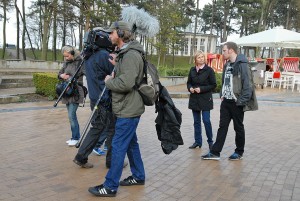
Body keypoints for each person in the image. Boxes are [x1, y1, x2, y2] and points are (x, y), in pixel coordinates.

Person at [88, 21, 146, 197]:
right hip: (128, 107)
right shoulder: (126, 54)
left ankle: (110, 186)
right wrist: (117, 65)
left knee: (118, 145)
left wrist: (108, 81)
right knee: (131, 145)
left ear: (120, 34)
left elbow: (126, 83)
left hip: (128, 109)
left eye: (111, 33)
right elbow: (128, 76)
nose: (109, 36)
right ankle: (139, 176)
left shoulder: (130, 55)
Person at [202, 42, 257, 161]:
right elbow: (225, 81)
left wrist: (241, 101)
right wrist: (222, 93)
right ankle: (215, 152)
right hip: (226, 102)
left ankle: (239, 152)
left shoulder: (243, 65)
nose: (222, 53)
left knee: (238, 127)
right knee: (222, 127)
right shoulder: (227, 65)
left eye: (224, 50)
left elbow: (248, 85)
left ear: (231, 50)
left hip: (237, 102)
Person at [73, 29, 115, 168]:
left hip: (95, 97)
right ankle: (111, 161)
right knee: (111, 129)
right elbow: (116, 72)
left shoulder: (89, 55)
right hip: (105, 98)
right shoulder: (103, 55)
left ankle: (81, 156)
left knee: (97, 127)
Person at [187, 50, 216, 150]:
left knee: (206, 120)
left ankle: (210, 142)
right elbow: (189, 83)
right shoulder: (192, 70)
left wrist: (201, 89)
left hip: (205, 99)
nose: (201, 59)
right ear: (195, 59)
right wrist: (190, 88)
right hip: (194, 99)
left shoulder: (209, 70)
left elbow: (213, 85)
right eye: (199, 57)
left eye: (202, 57)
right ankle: (198, 141)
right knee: (196, 122)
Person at [58, 46, 84, 147]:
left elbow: (85, 73)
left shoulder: (80, 62)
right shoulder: (66, 63)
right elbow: (60, 73)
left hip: (76, 92)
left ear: (72, 53)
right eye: (64, 56)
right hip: (67, 91)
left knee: (71, 115)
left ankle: (76, 138)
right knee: (71, 116)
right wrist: (62, 76)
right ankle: (75, 136)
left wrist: (72, 78)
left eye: (67, 56)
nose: (66, 58)